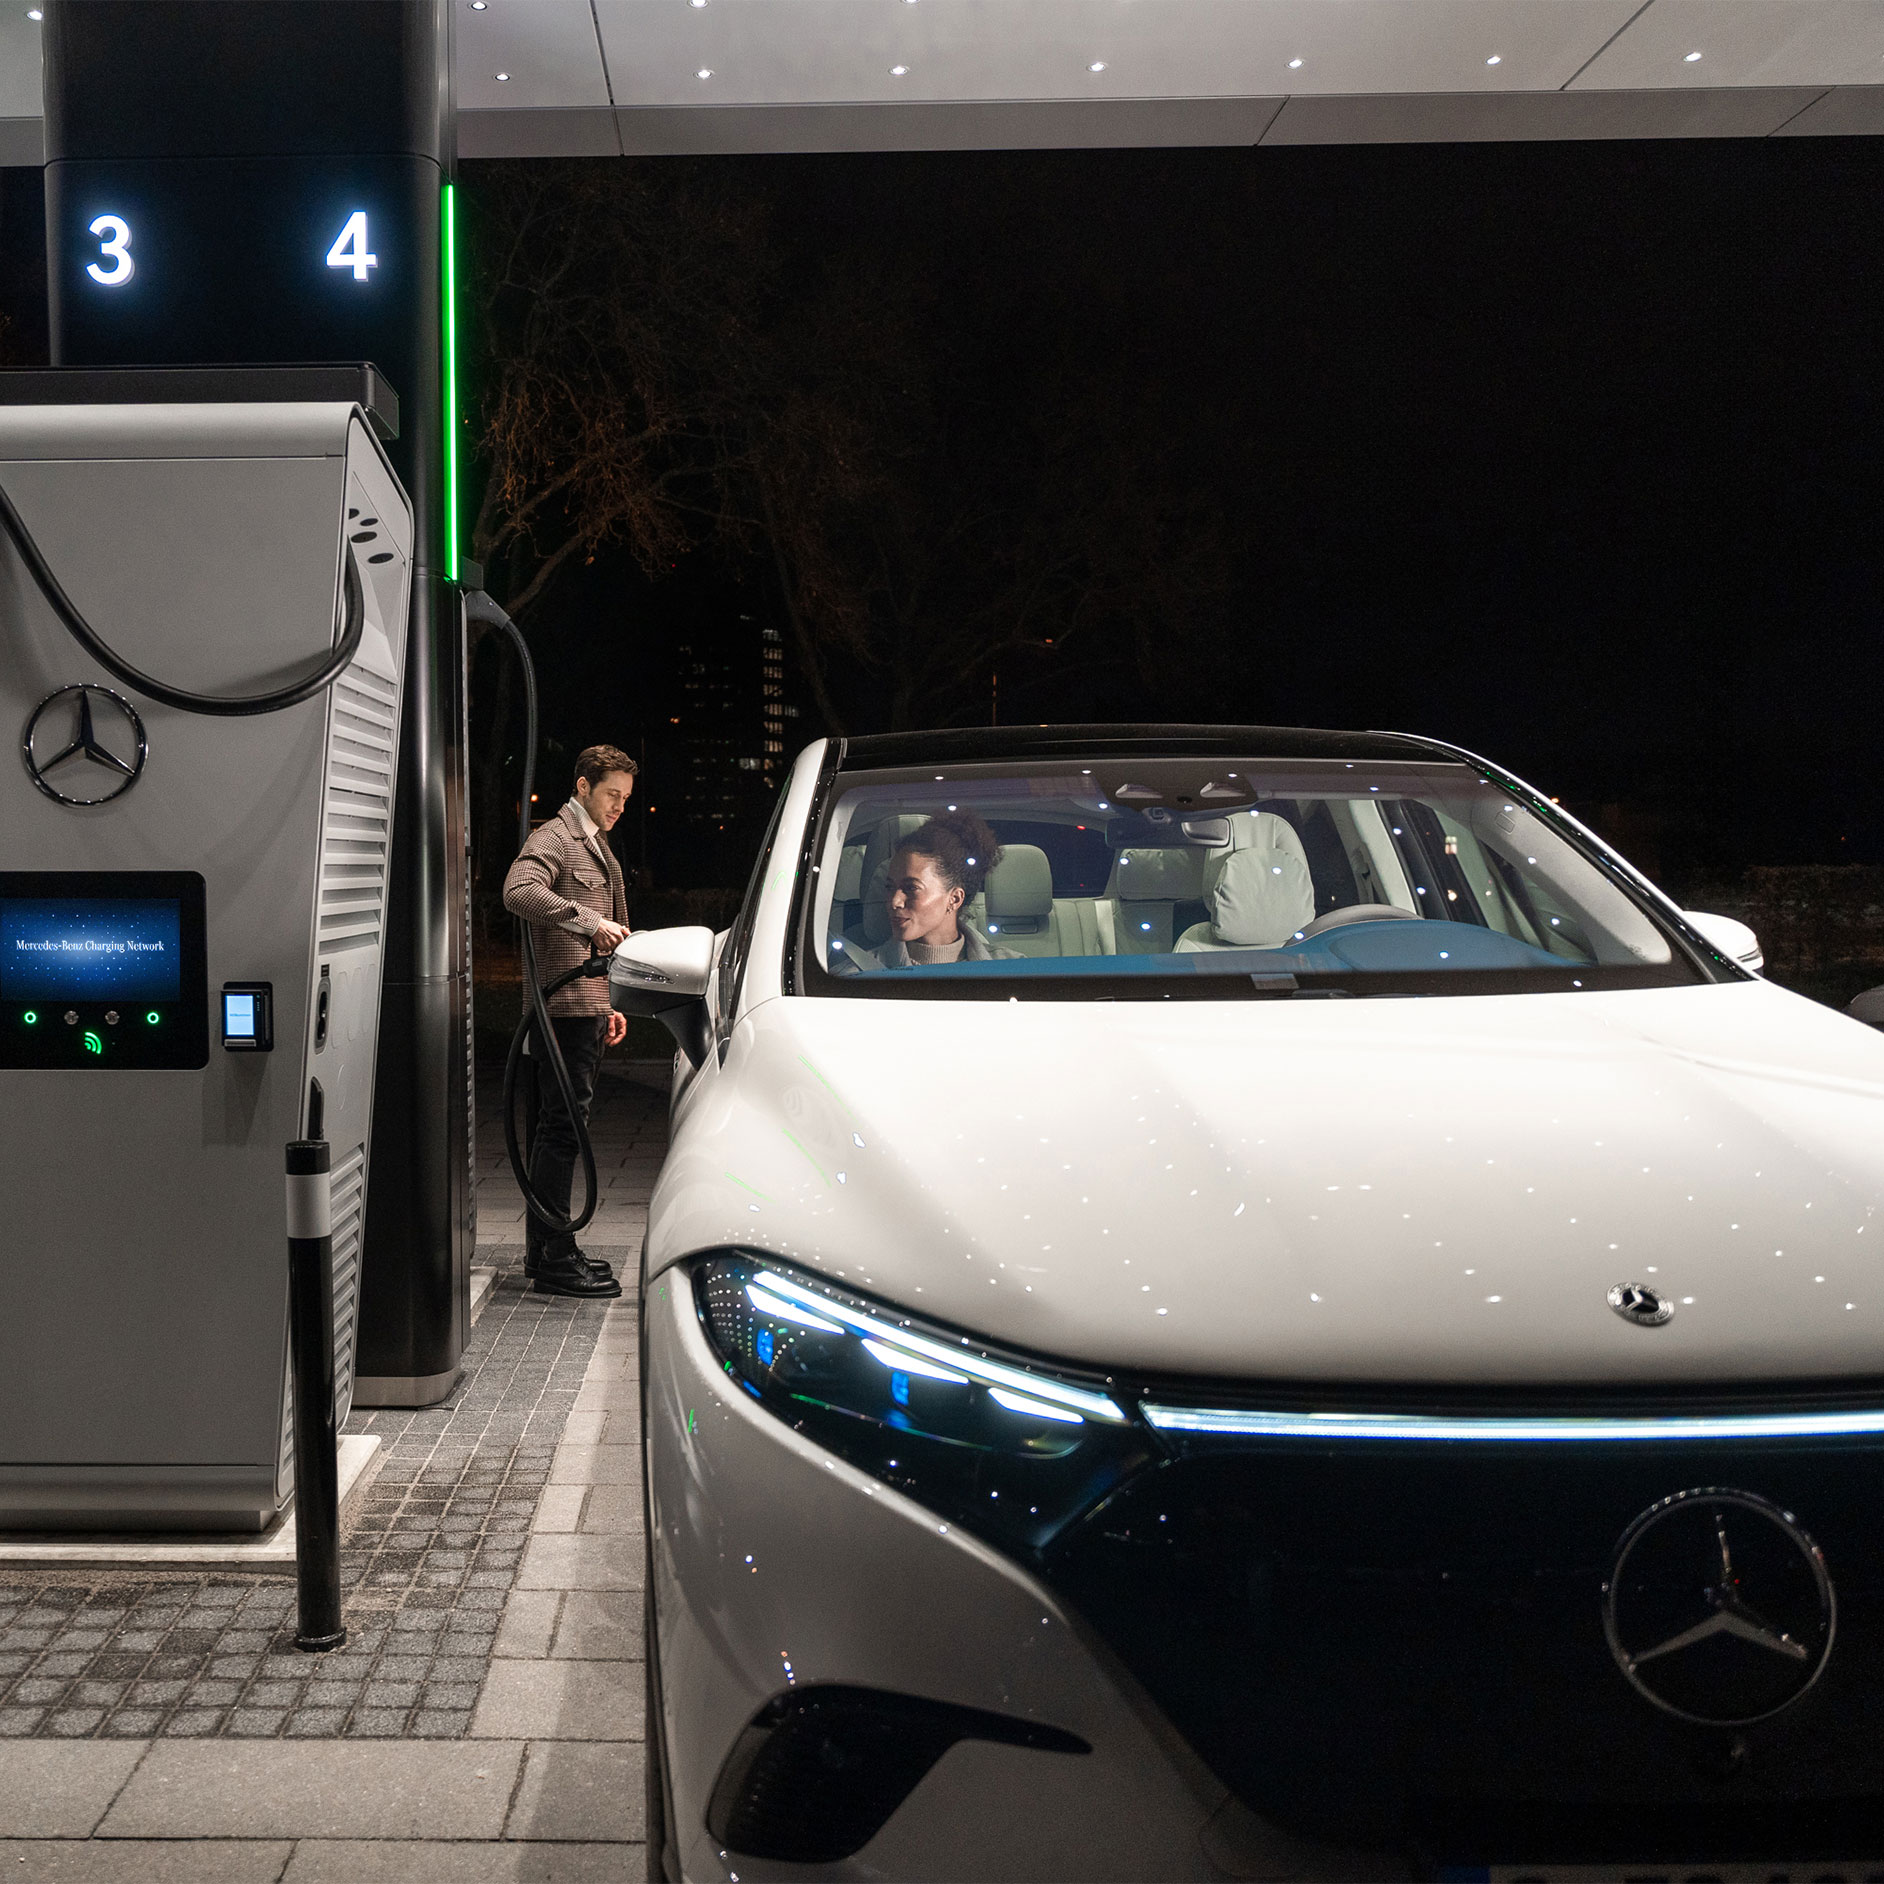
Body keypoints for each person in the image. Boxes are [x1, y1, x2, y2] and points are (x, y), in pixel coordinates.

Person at [502, 744, 636, 1297]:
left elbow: (613, 937)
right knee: (561, 1130)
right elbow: (517, 891)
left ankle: (547, 1251)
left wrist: (612, 1001)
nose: (619, 806)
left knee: (555, 1127)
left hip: (585, 1006)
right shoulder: (556, 838)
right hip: (561, 1010)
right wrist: (587, 921)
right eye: (612, 794)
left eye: (626, 798)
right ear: (583, 786)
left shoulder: (595, 843)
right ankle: (556, 1256)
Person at [875, 811, 1020, 968]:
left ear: (955, 899)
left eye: (911, 888)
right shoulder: (861, 972)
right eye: (889, 887)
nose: (894, 902)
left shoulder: (1015, 969)